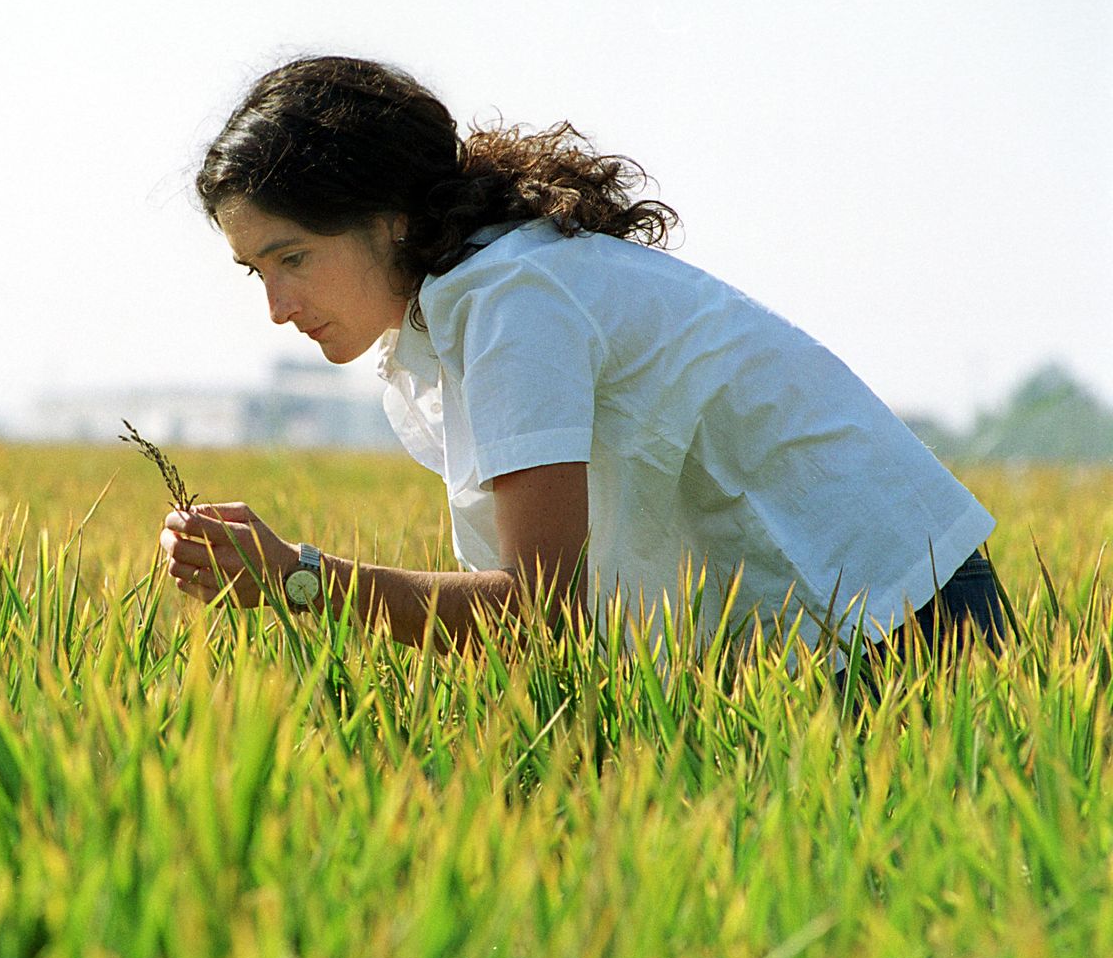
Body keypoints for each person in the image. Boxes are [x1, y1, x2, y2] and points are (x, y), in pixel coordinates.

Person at [158, 54, 1004, 674]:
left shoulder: (513, 302)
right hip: (839, 628)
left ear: (385, 218)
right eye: (254, 272)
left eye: (293, 258)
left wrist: (297, 577)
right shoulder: (469, 304)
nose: (276, 306)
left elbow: (535, 615)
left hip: (905, 618)